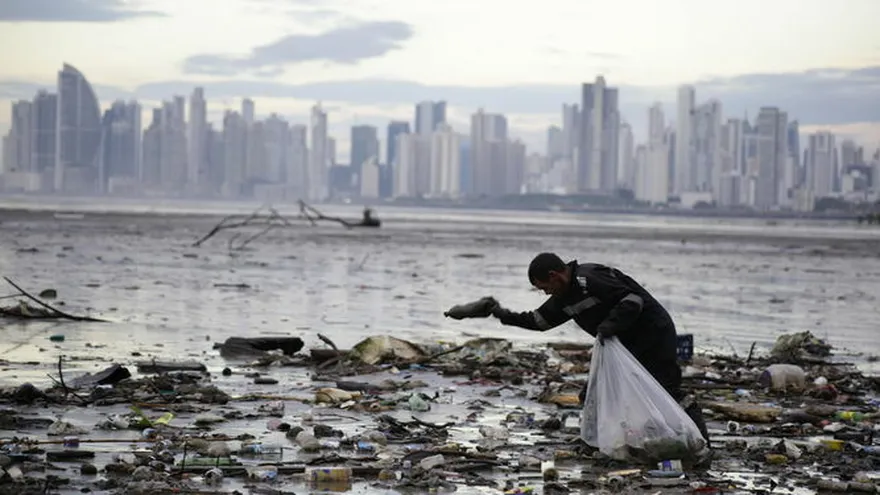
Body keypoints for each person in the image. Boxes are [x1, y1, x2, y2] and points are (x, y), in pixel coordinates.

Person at [447, 252, 711, 462]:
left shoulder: (589, 278)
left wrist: (609, 326)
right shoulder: (564, 297)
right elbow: (538, 321)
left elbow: (632, 300)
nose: (545, 293)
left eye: (544, 287)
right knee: (595, 392)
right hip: (620, 343)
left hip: (653, 333)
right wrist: (500, 313)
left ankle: (701, 445)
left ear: (554, 276)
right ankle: (597, 444)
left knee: (667, 389)